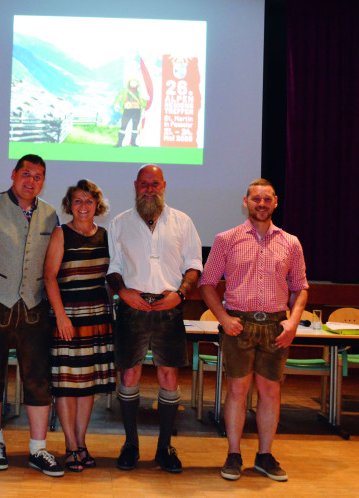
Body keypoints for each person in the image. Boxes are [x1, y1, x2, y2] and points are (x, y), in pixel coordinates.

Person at [198, 178, 309, 482]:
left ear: (276, 202)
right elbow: (207, 283)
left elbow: (300, 288)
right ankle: (234, 454)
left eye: (267, 199)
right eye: (256, 199)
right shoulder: (226, 239)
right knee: (237, 390)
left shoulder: (291, 242)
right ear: (245, 202)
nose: (262, 204)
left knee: (271, 392)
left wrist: (293, 320)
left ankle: (265, 455)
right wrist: (222, 318)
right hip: (238, 324)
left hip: (276, 326)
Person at [0, 154, 64, 477]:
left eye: (38, 177)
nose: (31, 181)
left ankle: (38, 449)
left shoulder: (51, 216)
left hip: (34, 310)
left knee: (38, 380)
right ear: (13, 174)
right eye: (26, 174)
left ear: (43, 181)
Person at [106, 164, 202, 474]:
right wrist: (123, 293)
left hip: (169, 306)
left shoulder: (182, 222)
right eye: (144, 183)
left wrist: (181, 295)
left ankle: (164, 447)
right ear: (136, 185)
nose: (150, 188)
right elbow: (113, 268)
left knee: (168, 377)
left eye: (155, 184)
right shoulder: (119, 223)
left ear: (164, 186)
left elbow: (194, 265)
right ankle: (130, 444)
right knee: (130, 375)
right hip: (132, 306)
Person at [43, 179, 116, 473]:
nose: (83, 206)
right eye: (77, 201)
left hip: (97, 317)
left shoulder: (106, 235)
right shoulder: (61, 233)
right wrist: (61, 317)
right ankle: (70, 445)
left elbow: (108, 278)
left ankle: (82, 443)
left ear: (97, 205)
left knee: (88, 387)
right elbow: (49, 277)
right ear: (69, 205)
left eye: (88, 201)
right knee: (66, 385)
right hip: (68, 316)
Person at [113, 79, 148, 147]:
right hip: (127, 110)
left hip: (137, 111)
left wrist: (144, 105)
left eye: (135, 82)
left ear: (137, 83)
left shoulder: (140, 92)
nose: (133, 83)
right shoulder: (124, 91)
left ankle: (133, 143)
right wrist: (116, 104)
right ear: (129, 83)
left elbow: (143, 103)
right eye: (132, 82)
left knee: (135, 127)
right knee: (123, 126)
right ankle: (119, 143)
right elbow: (119, 97)